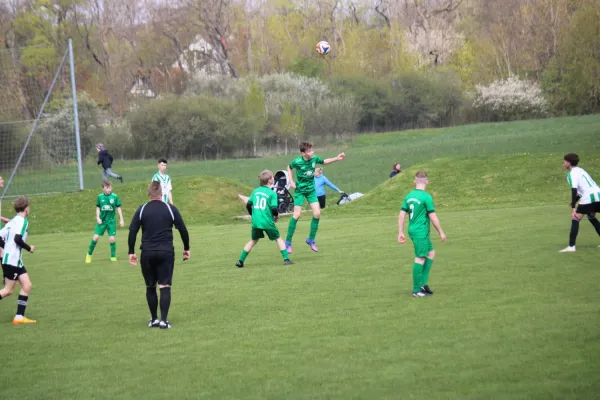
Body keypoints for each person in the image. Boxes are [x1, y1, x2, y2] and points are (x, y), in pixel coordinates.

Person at [128, 181, 190, 329]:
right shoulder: (170, 208)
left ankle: (154, 319)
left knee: (150, 286)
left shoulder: (142, 210)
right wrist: (186, 248)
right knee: (164, 285)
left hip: (147, 252)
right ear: (161, 194)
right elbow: (182, 229)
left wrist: (131, 251)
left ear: (149, 194)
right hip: (165, 252)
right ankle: (164, 320)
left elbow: (133, 231)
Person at [285, 141, 345, 253]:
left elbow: (324, 161)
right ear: (303, 153)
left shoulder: (314, 159)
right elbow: (289, 167)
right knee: (297, 215)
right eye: (309, 151)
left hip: (311, 191)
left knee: (317, 213)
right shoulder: (297, 161)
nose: (312, 152)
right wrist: (291, 181)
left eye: (312, 150)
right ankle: (288, 242)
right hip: (300, 191)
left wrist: (337, 158)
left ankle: (311, 239)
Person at [398, 171, 447, 297]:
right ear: (427, 182)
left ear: (414, 182)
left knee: (431, 253)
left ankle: (423, 284)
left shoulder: (408, 196)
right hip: (420, 232)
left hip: (414, 230)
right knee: (420, 258)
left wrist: (400, 232)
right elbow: (433, 216)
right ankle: (416, 290)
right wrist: (441, 232)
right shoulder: (426, 197)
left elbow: (402, 214)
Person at [235, 170, 293, 268]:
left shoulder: (255, 191)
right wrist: (276, 216)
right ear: (270, 180)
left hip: (256, 221)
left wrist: (252, 216)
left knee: (253, 240)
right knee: (278, 238)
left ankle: (240, 261)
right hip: (267, 220)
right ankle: (286, 259)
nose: (273, 179)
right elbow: (274, 208)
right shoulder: (272, 193)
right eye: (272, 178)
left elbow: (249, 205)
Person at [0, 196, 37, 324]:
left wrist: (5, 250)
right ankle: (19, 318)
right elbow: (17, 239)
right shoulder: (22, 221)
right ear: (26, 208)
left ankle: (19, 318)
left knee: (27, 285)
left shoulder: (11, 221)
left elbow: (1, 236)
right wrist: (29, 248)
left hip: (14, 260)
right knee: (8, 290)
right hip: (12, 260)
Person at [559, 153, 600, 252]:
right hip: (598, 195)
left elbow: (574, 190)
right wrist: (575, 200)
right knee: (591, 216)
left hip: (588, 198)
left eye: (564, 161)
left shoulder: (572, 174)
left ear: (569, 163)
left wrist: (573, 208)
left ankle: (571, 246)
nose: (563, 163)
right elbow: (584, 187)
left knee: (575, 218)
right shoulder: (581, 170)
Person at [86, 181, 125, 263]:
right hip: (102, 221)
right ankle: (88, 255)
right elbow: (98, 208)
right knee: (96, 237)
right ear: (103, 189)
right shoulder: (100, 197)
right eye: (107, 188)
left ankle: (113, 256)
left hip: (111, 221)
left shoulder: (114, 196)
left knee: (112, 239)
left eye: (110, 188)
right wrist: (98, 218)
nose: (109, 189)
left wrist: (121, 219)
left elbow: (118, 208)